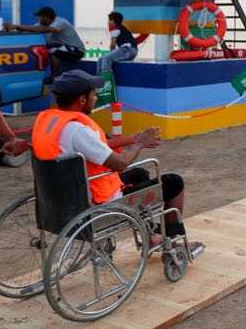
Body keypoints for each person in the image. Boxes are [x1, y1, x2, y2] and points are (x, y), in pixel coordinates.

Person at [31, 70, 201, 250]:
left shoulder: (50, 122)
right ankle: (172, 244)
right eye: (93, 94)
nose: (95, 98)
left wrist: (132, 139)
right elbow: (120, 164)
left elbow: (95, 146)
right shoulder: (78, 130)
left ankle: (151, 236)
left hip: (60, 199)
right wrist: (139, 144)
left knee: (139, 174)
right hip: (96, 201)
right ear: (82, 99)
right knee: (174, 182)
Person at [5, 7, 85, 79]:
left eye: (39, 17)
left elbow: (47, 29)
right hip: (63, 50)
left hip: (77, 51)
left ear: (45, 17)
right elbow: (30, 29)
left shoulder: (61, 22)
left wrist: (17, 26)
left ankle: (55, 76)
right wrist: (11, 29)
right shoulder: (41, 24)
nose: (38, 20)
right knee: (43, 49)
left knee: (52, 47)